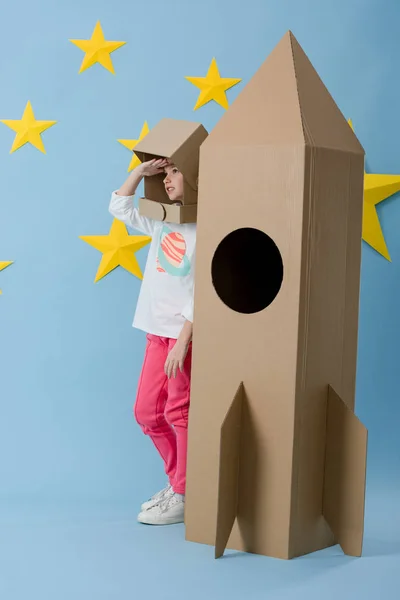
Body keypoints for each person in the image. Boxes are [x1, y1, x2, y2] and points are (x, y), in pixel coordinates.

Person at [109, 158, 196, 525]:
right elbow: (120, 207)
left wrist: (183, 342)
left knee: (179, 412)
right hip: (156, 332)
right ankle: (178, 483)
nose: (168, 178)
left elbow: (206, 287)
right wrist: (139, 174)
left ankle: (185, 491)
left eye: (176, 171)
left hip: (183, 338)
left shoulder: (207, 228)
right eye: (166, 171)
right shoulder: (164, 220)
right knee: (146, 413)